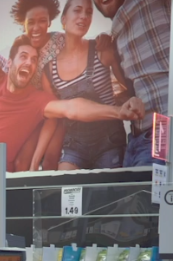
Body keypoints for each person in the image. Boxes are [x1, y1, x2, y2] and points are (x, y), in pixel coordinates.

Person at [0, 35, 141, 172]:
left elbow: (72, 108)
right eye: (23, 57)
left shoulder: (36, 100)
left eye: (34, 59)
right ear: (9, 63)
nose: (29, 63)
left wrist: (118, 111)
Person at [45, 0, 132, 170]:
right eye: (77, 11)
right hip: (74, 146)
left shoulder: (101, 49)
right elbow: (54, 120)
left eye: (89, 13)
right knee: (69, 193)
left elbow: (128, 86)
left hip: (109, 142)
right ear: (63, 19)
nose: (84, 16)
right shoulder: (49, 71)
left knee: (108, 195)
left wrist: (113, 51)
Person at [93, 0, 173, 167]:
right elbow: (127, 93)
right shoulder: (115, 36)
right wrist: (113, 58)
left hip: (163, 129)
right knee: (131, 192)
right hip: (136, 138)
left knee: (146, 192)